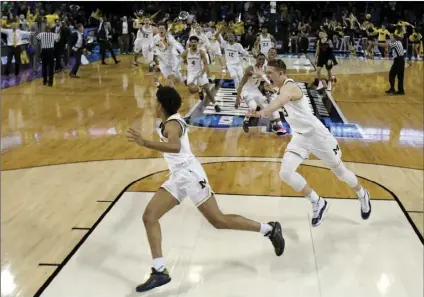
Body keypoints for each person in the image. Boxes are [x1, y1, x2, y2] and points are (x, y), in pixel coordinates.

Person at [126, 86, 285, 293]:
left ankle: (270, 230)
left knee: (219, 221)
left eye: (156, 101)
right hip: (178, 177)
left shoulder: (173, 124)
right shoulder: (169, 120)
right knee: (149, 216)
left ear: (162, 105)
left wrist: (145, 142)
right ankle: (160, 270)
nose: (153, 104)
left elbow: (175, 147)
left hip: (190, 176)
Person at [247, 59, 371, 227]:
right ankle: (318, 202)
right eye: (267, 72)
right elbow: (270, 83)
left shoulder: (289, 87)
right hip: (299, 137)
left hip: (318, 136)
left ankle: (363, 194)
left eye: (270, 73)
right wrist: (260, 74)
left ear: (282, 73)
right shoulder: (278, 83)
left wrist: (262, 113)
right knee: (286, 173)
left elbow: (279, 101)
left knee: (340, 173)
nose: (268, 76)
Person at [236, 53, 286, 135]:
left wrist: (267, 89)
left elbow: (268, 82)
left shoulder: (264, 69)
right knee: (253, 106)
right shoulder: (250, 68)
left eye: (263, 59)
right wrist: (237, 98)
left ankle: (276, 126)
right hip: (247, 90)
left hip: (255, 90)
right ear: (256, 59)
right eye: (259, 59)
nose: (261, 61)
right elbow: (241, 84)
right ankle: (246, 120)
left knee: (268, 107)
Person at [181, 35, 221, 112]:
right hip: (191, 74)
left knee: (207, 89)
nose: (193, 43)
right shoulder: (186, 52)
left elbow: (205, 64)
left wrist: (203, 73)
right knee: (192, 90)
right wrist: (183, 73)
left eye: (195, 42)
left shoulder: (201, 52)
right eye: (192, 42)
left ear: (197, 43)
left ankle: (215, 104)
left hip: (200, 72)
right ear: (189, 43)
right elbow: (181, 62)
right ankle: (199, 89)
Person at [152, 22, 185, 88]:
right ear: (158, 29)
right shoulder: (155, 38)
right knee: (169, 80)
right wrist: (154, 61)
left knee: (179, 79)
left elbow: (177, 45)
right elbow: (153, 48)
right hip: (163, 62)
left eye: (162, 28)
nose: (161, 30)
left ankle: (184, 79)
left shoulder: (170, 38)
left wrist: (183, 52)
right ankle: (174, 94)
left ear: (165, 29)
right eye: (160, 28)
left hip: (172, 60)